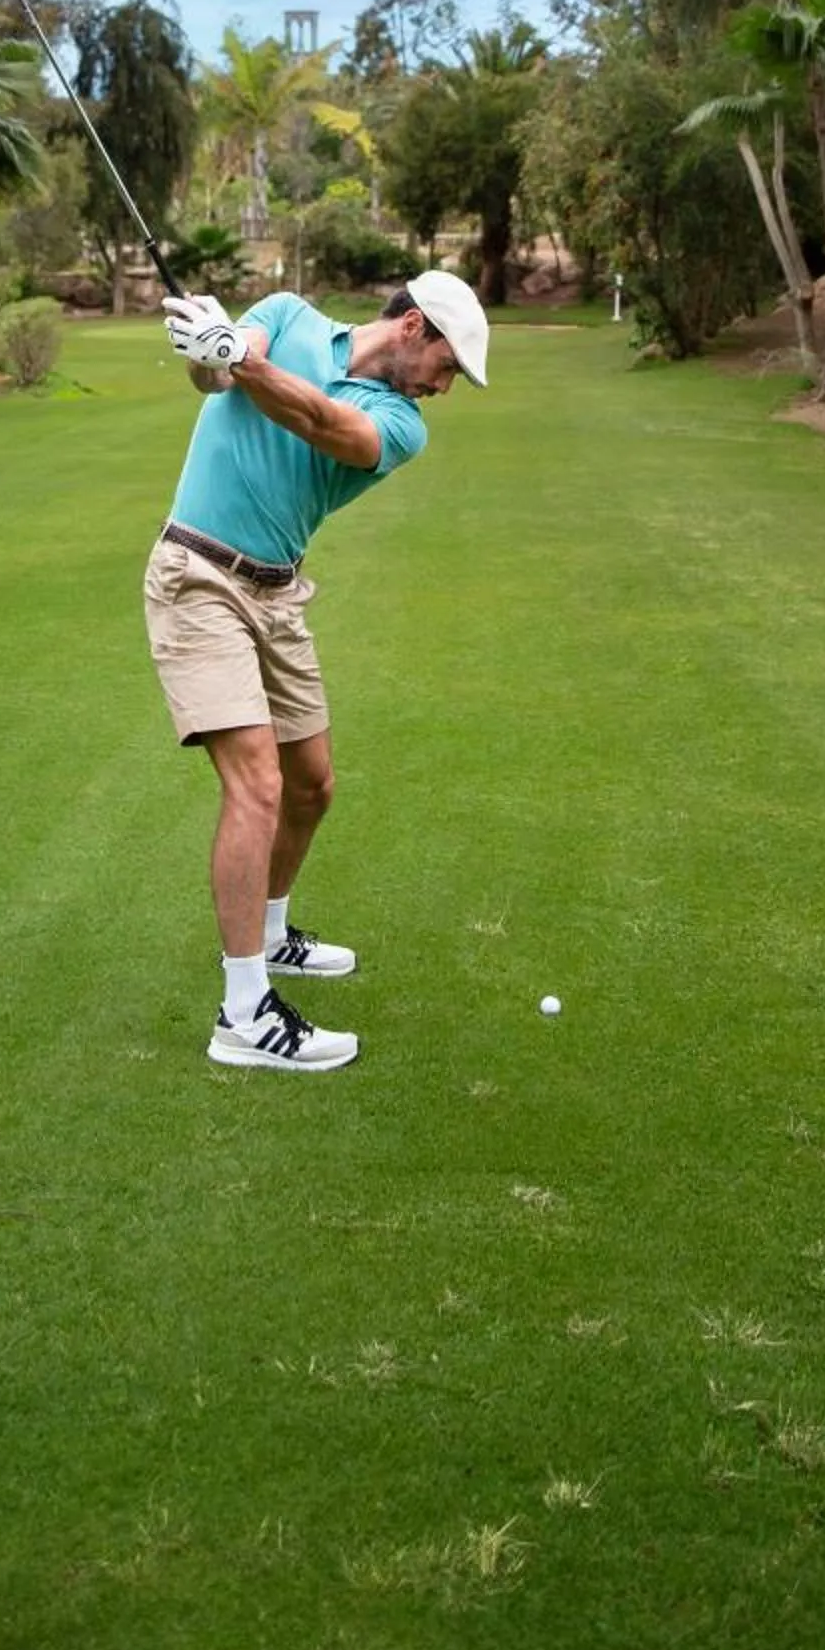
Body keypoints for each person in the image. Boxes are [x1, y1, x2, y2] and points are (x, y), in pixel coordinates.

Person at [144, 269, 490, 1073]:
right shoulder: (286, 314)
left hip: (276, 594)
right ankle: (243, 1013)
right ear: (413, 328)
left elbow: (320, 420)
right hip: (197, 576)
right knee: (258, 785)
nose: (445, 388)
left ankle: (270, 932)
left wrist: (241, 362)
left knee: (312, 783)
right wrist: (209, 349)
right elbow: (216, 372)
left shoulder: (399, 424)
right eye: (448, 366)